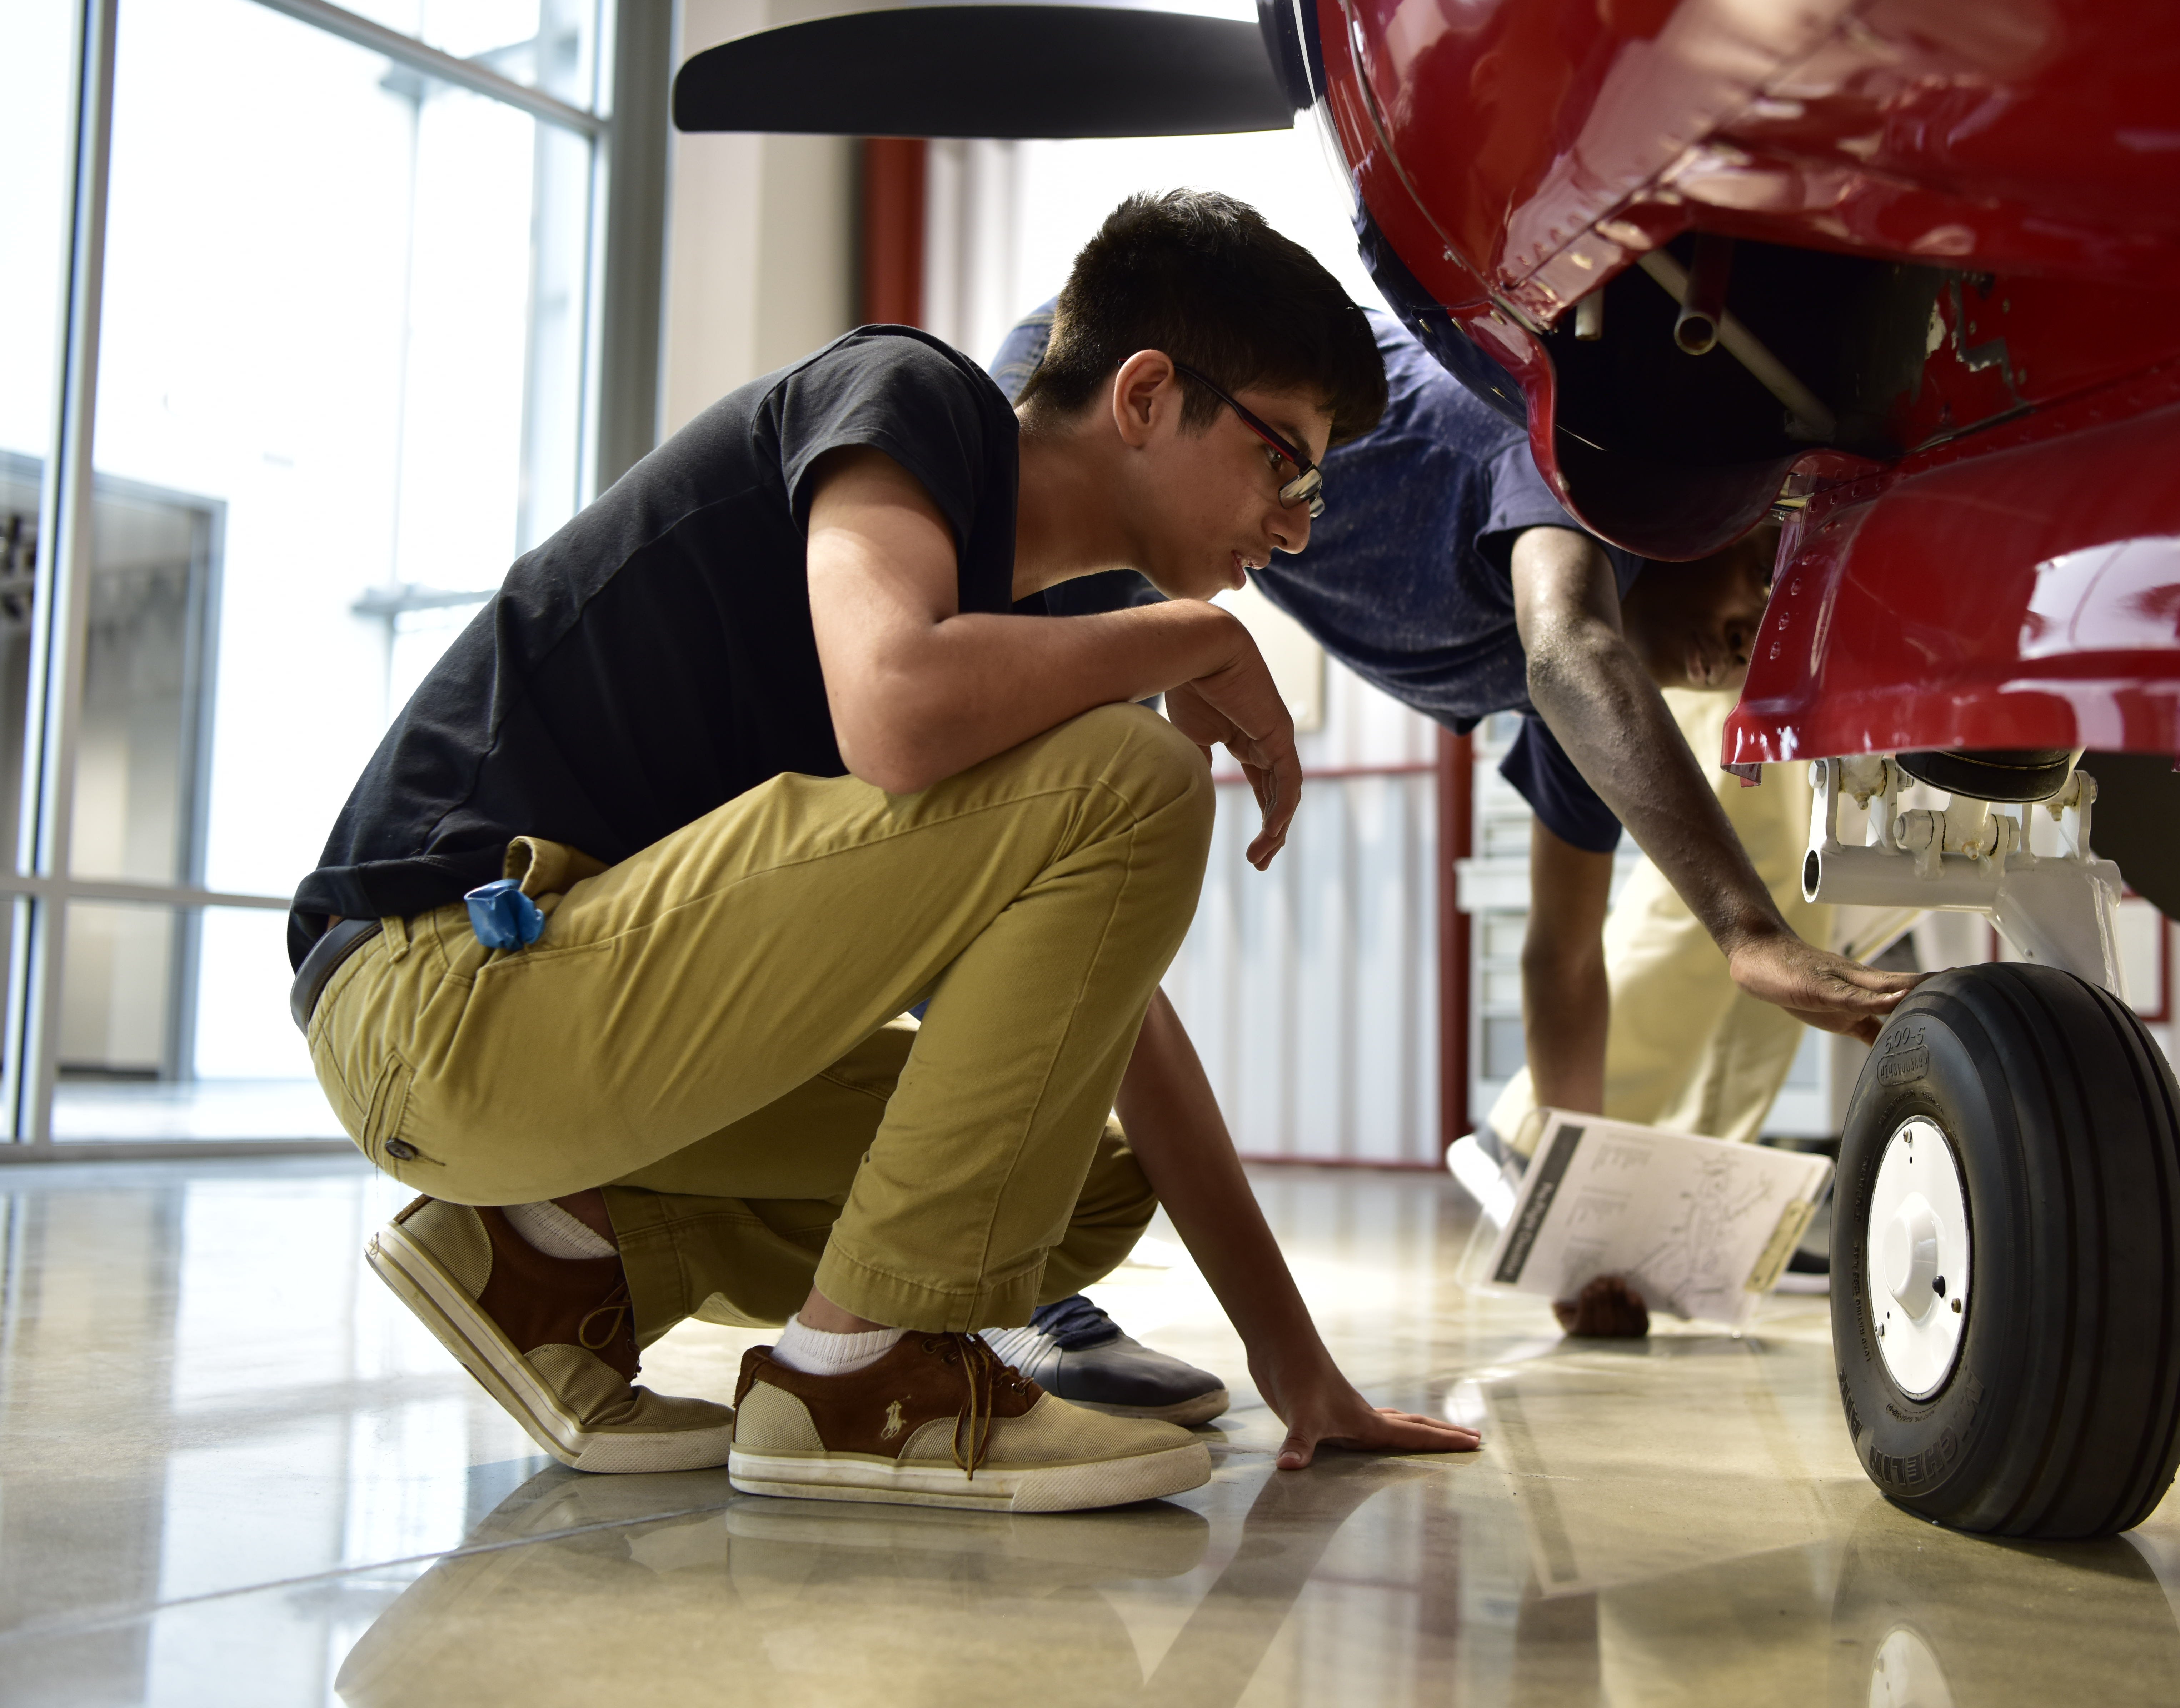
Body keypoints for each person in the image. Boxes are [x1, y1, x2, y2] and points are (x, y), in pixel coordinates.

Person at [289, 190, 1479, 1514]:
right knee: (1135, 774)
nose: (1302, 526)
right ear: (1145, 396)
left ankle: (555, 1264)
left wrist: (1297, 1367)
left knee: (1082, 1180)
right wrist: (1195, 640)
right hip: (439, 990)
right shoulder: (912, 398)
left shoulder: (1044, 648)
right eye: (1288, 464)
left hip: (553, 1039)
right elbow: (897, 704)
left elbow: (1112, 1022)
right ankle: (860, 1379)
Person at [990, 301, 1921, 1337]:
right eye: (1759, 578)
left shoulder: (1577, 703)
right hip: (1119, 371)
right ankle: (990, 1294)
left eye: (1756, 655)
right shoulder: (1581, 470)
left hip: (1174, 473)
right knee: (1033, 843)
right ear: (1714, 523)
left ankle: (1000, 1278)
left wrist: (1577, 1236)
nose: (1746, 637)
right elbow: (1569, 642)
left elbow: (1565, 962)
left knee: (1064, 884)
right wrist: (1748, 932)